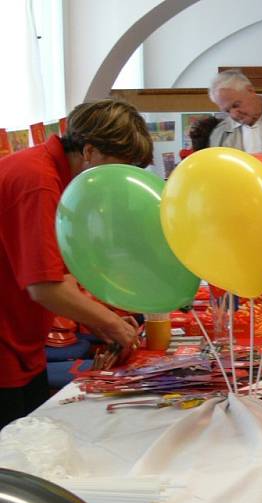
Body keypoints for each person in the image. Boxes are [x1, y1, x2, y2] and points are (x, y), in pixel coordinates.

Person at [0, 99, 153, 428]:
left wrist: (99, 320)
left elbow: (60, 274)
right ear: (89, 151)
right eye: (118, 167)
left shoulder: (54, 174)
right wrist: (111, 324)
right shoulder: (37, 180)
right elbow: (44, 287)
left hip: (22, 342)